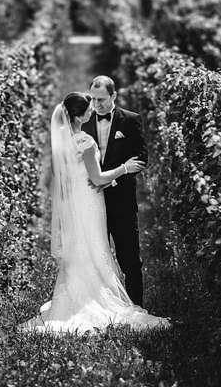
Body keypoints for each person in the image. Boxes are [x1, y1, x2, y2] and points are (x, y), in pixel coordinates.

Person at [19, 91, 168, 334]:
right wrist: (125, 168)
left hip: (76, 202)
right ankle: (95, 297)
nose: (93, 110)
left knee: (81, 247)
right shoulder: (85, 141)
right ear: (81, 114)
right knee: (95, 246)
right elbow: (97, 179)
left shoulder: (61, 142)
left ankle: (75, 295)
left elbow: (66, 179)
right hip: (91, 201)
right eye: (89, 107)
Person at [83, 75, 148, 306]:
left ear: (114, 96)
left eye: (102, 99)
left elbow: (141, 159)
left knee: (129, 257)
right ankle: (100, 307)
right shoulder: (83, 122)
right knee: (94, 258)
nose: (97, 104)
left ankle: (136, 307)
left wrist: (109, 179)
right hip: (91, 201)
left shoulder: (130, 120)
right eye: (93, 99)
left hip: (121, 200)